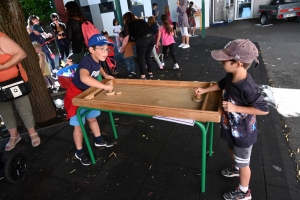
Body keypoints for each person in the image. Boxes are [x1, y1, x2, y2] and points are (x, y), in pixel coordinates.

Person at [194, 39, 269, 200]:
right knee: (231, 150)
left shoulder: (248, 87)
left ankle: (244, 192)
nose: (221, 61)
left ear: (239, 63)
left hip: (244, 134)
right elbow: (221, 84)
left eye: (225, 60)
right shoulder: (230, 75)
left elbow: (263, 109)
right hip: (232, 128)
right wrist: (205, 90)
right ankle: (236, 167)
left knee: (244, 164)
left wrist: (235, 108)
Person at [64, 34, 115, 166]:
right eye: (102, 49)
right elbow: (84, 78)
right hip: (76, 96)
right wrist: (104, 86)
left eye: (107, 49)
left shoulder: (97, 59)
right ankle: (79, 151)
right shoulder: (86, 61)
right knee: (79, 125)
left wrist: (105, 75)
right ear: (92, 50)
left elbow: (99, 68)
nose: (105, 52)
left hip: (89, 93)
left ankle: (98, 139)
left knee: (92, 118)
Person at [0, 32, 41, 151]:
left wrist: (3, 67)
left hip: (14, 81)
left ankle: (32, 133)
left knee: (23, 108)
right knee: (5, 111)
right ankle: (14, 136)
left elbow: (21, 54)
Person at [121, 12, 155, 79]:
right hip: (151, 37)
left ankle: (143, 76)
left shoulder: (129, 24)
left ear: (126, 18)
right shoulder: (140, 21)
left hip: (142, 39)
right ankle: (150, 73)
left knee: (141, 58)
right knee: (148, 56)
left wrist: (122, 48)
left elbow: (126, 39)